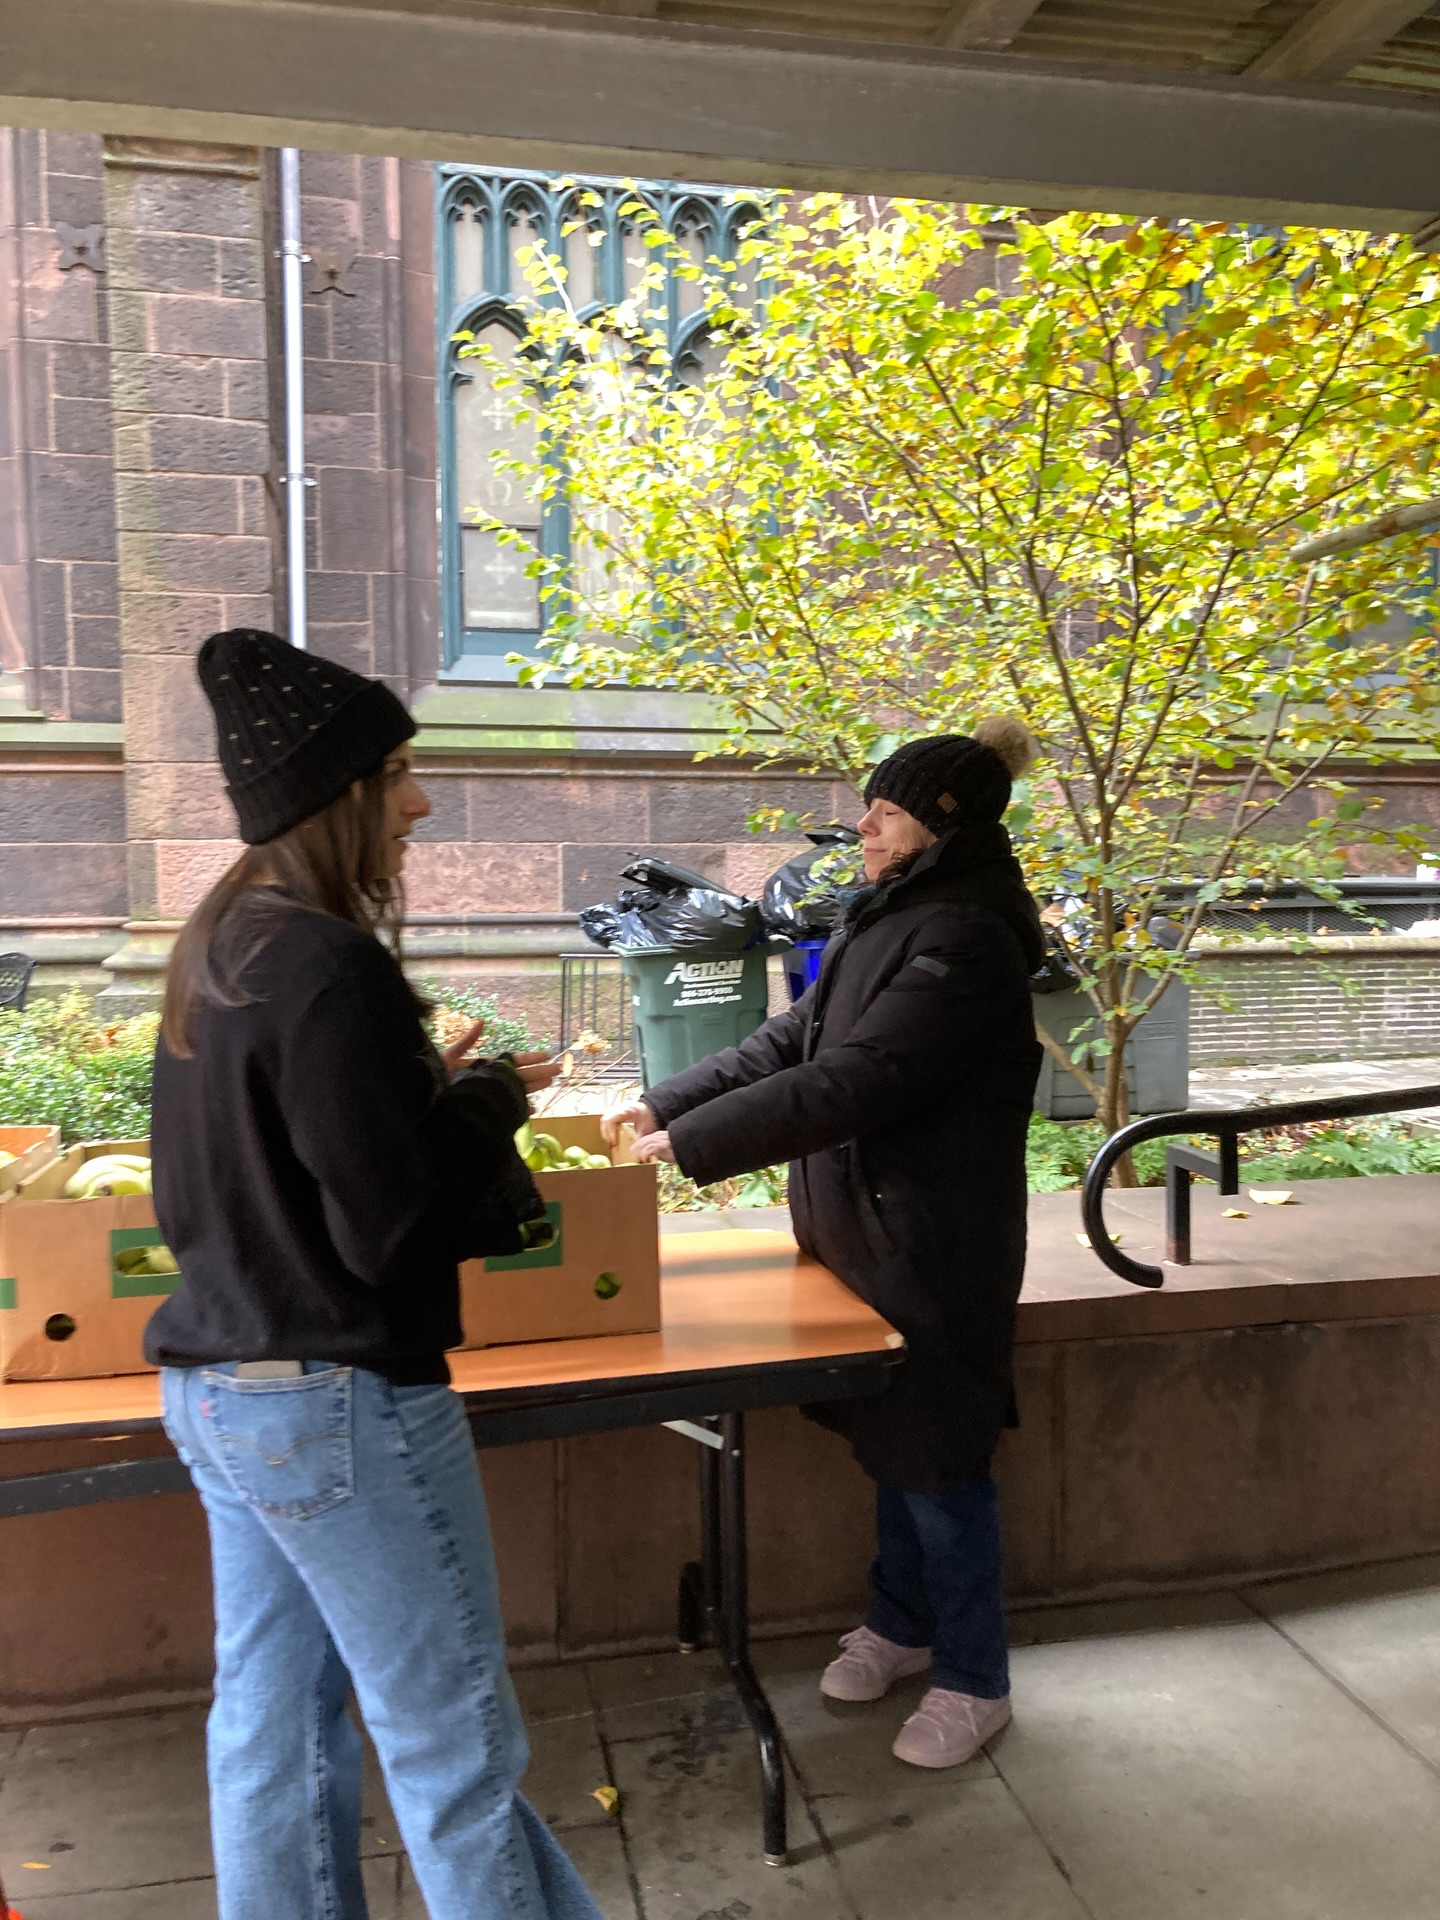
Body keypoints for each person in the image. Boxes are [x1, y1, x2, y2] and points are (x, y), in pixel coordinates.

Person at [146, 627, 604, 1920]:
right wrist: (488, 1098)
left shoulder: (219, 948)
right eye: (397, 774)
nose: (419, 803)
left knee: (273, 1727)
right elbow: (390, 1234)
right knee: (455, 1751)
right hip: (340, 1405)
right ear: (335, 795)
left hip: (221, 1391)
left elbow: (233, 1185)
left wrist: (421, 1096)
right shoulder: (329, 963)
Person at [605, 720, 1044, 1770]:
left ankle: (975, 1679)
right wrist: (665, 1101)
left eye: (886, 813)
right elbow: (793, 1041)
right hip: (869, 1229)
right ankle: (902, 1624)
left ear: (941, 827)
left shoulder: (968, 936)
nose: (866, 828)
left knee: (940, 1459)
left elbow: (862, 1079)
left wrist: (692, 1144)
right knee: (892, 1443)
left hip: (934, 1240)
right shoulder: (890, 911)